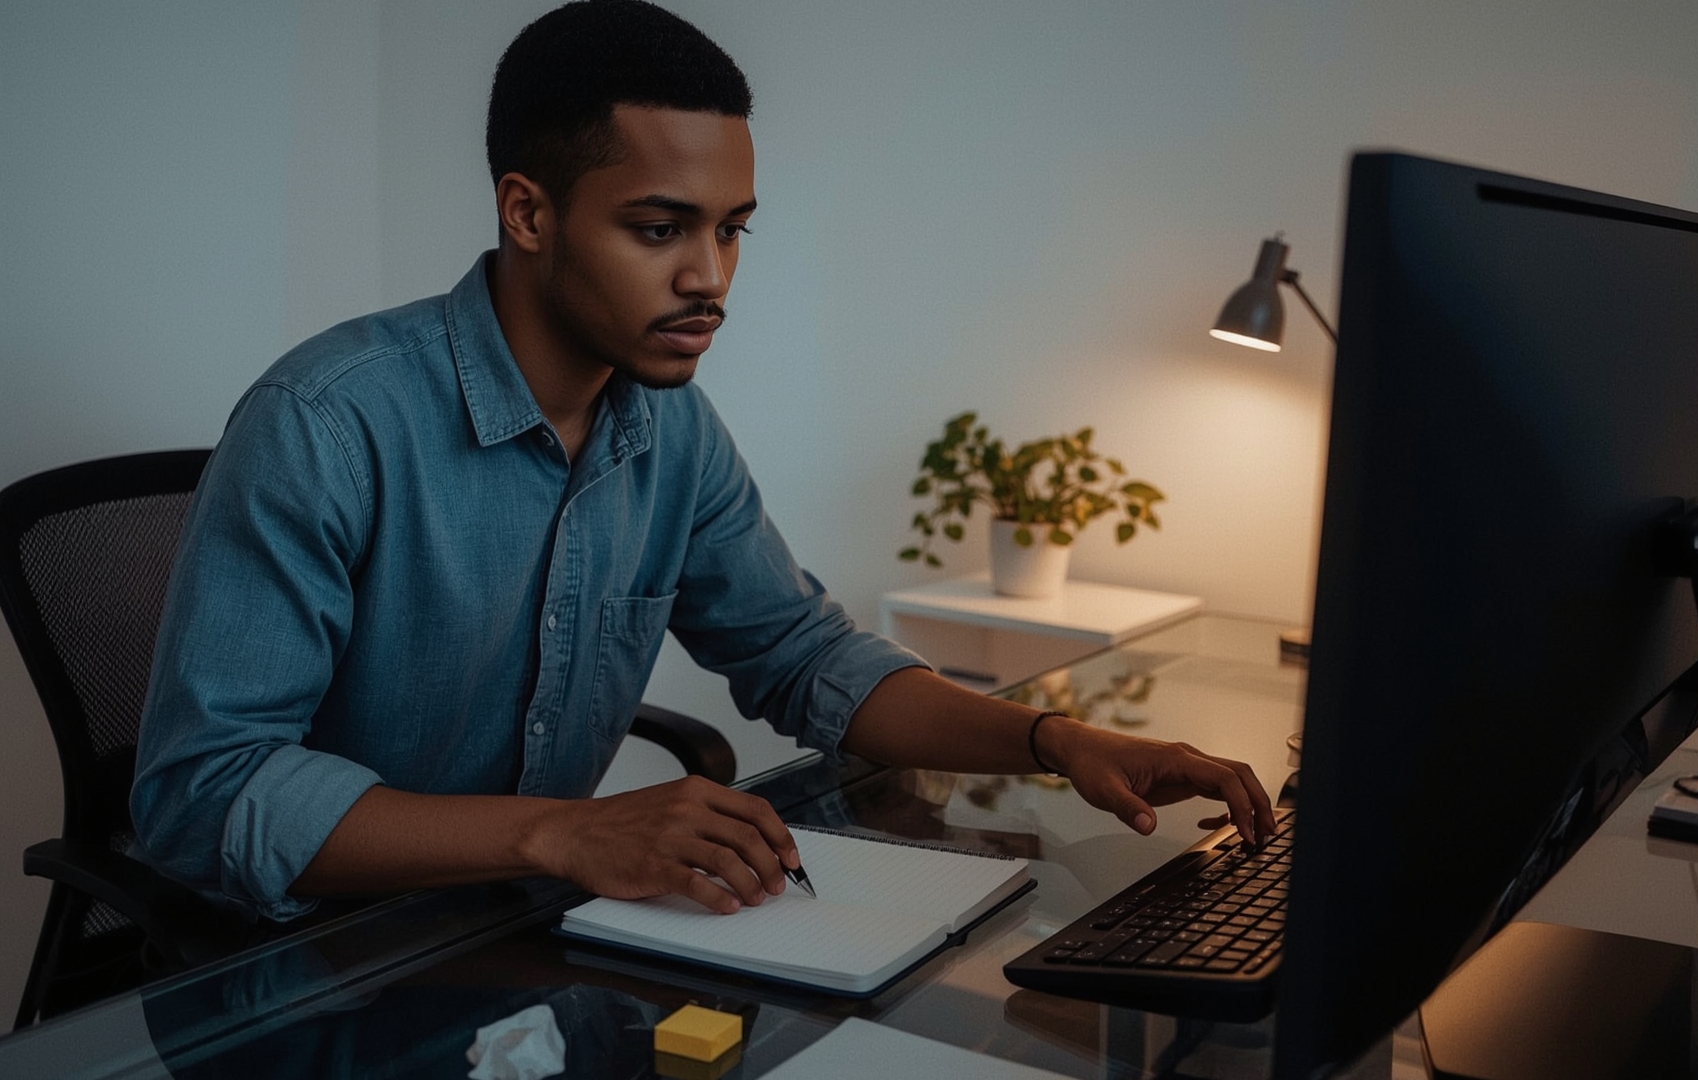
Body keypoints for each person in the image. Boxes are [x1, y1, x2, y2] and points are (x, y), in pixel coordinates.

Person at [131, 0, 1273, 923]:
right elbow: (200, 797)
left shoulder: (669, 427)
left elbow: (805, 656)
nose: (711, 278)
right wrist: (563, 831)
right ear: (528, 213)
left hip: (524, 926)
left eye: (732, 228)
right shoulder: (325, 424)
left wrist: (1054, 740)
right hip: (299, 962)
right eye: (660, 227)